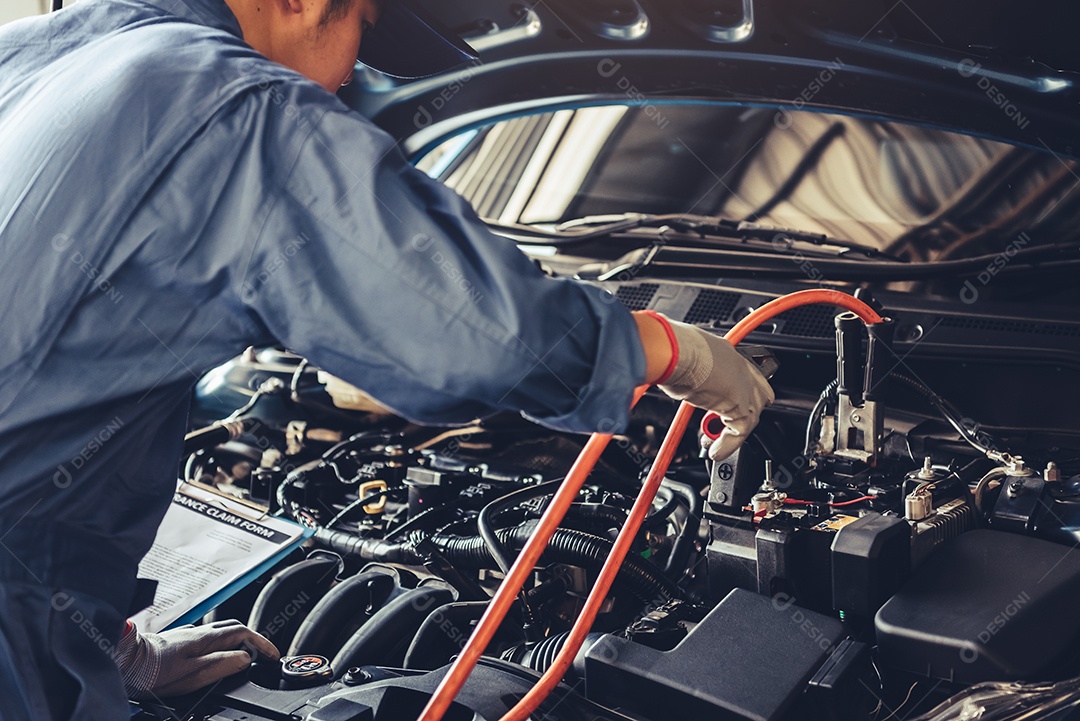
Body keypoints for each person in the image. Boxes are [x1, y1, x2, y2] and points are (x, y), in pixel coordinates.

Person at [0, 0, 774, 718]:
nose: (349, 78)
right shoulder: (232, 106)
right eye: (363, 31)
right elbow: (484, 336)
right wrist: (674, 348)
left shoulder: (37, 57)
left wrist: (113, 646)